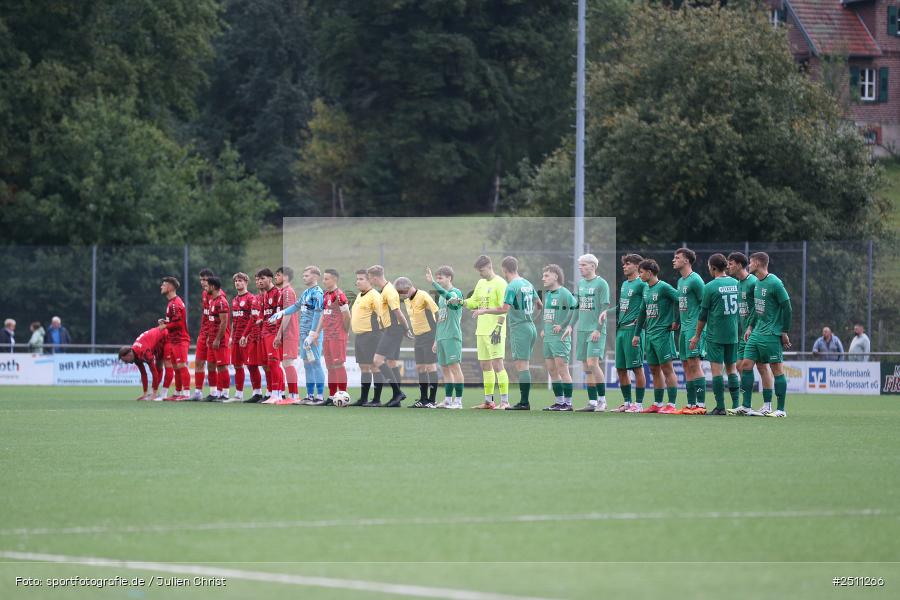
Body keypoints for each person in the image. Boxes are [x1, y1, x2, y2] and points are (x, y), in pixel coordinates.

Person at [474, 256, 541, 410]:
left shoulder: (512, 286)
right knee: (524, 364)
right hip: (530, 327)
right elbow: (539, 305)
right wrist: (531, 319)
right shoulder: (527, 283)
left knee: (522, 365)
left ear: (504, 270)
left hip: (520, 328)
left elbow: (504, 309)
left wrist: (484, 310)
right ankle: (515, 401)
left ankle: (523, 402)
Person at [732, 252, 792, 417]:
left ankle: (780, 409)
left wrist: (784, 331)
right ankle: (746, 406)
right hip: (756, 333)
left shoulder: (775, 283)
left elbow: (787, 307)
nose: (749, 265)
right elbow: (756, 310)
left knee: (776, 369)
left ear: (758, 263)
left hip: (771, 334)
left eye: (750, 262)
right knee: (745, 365)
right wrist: (750, 326)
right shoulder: (757, 283)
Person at [690, 254, 740, 416]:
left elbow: (703, 315)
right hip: (733, 333)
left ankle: (720, 407)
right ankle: (736, 405)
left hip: (716, 334)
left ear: (712, 267)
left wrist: (697, 336)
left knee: (717, 371)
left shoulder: (710, 287)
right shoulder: (736, 283)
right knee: (732, 369)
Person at [633, 259, 680, 414]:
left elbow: (680, 299)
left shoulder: (664, 287)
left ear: (649, 272)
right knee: (654, 369)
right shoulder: (646, 289)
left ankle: (671, 404)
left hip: (663, 335)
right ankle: (657, 403)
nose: (639, 275)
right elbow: (642, 312)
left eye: (641, 272)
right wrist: (637, 334)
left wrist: (676, 319)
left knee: (667, 369)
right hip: (650, 334)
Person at [466, 255, 510, 409]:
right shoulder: (480, 283)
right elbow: (474, 302)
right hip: (482, 331)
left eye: (482, 270)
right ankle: (489, 401)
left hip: (495, 331)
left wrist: (498, 328)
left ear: (489, 266)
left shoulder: (501, 284)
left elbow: (504, 309)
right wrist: (460, 302)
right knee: (485, 366)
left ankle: (505, 401)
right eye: (478, 271)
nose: (480, 273)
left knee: (498, 365)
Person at [367, 265, 412, 407]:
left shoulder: (389, 291)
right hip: (391, 329)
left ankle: (398, 393)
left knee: (377, 360)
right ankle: (396, 399)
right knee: (391, 362)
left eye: (370, 278)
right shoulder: (385, 290)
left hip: (393, 330)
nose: (370, 281)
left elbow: (398, 312)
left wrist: (406, 328)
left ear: (374, 277)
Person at [307, 269, 351, 402]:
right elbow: (323, 314)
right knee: (330, 366)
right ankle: (332, 396)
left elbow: (347, 316)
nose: (324, 281)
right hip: (327, 335)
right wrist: (317, 332)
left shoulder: (340, 295)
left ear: (335, 280)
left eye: (327, 279)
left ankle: (343, 395)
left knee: (338, 364)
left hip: (337, 335)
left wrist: (345, 331)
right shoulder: (325, 295)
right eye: (324, 278)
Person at [574, 254, 610, 412]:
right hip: (581, 330)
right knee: (586, 368)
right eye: (579, 265)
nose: (580, 268)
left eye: (583, 265)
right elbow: (577, 307)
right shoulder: (580, 283)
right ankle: (592, 402)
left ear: (592, 266)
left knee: (593, 364)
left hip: (595, 330)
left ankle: (603, 401)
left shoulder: (601, 284)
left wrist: (598, 329)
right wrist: (570, 326)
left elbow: (604, 309)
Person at [426, 265, 466, 409]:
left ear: (449, 277)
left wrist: (432, 283)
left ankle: (458, 401)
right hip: (442, 337)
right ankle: (448, 400)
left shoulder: (456, 293)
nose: (438, 280)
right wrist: (436, 339)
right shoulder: (441, 299)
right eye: (436, 278)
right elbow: (440, 320)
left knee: (455, 368)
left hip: (452, 336)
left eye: (440, 278)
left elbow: (450, 297)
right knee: (445, 369)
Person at [612, 254, 648, 412]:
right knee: (620, 368)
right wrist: (605, 312)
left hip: (634, 331)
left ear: (637, 266)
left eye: (628, 264)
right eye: (623, 264)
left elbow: (649, 305)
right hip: (621, 330)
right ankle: (627, 403)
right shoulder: (625, 284)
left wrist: (640, 325)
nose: (624, 266)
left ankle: (639, 405)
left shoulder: (642, 284)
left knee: (637, 368)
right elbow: (621, 306)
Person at [396, 276, 439, 407]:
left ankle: (432, 400)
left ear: (407, 288)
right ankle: (423, 399)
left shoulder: (424, 296)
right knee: (420, 367)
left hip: (430, 335)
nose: (400, 296)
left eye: (400, 293)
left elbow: (438, 313)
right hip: (418, 337)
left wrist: (437, 338)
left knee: (431, 366)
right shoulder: (408, 300)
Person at [540, 264, 578, 411]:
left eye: (546, 275)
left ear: (555, 276)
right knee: (551, 370)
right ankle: (559, 402)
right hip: (548, 337)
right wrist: (544, 328)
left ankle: (568, 404)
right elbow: (548, 314)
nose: (543, 278)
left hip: (560, 338)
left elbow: (575, 309)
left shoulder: (565, 293)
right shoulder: (548, 294)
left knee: (563, 369)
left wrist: (564, 326)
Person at [674, 248, 706, 413]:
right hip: (684, 328)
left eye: (677, 257)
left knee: (695, 363)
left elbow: (705, 304)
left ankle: (701, 405)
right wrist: (677, 321)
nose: (674, 260)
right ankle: (691, 404)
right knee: (686, 364)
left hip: (694, 327)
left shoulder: (696, 280)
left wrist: (700, 330)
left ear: (686, 260)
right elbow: (682, 304)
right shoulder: (680, 281)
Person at [727, 252, 758, 411]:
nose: (728, 266)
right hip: (744, 332)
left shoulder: (753, 282)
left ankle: (765, 405)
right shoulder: (738, 283)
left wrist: (752, 327)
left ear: (739, 265)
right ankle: (747, 404)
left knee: (762, 367)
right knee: (739, 366)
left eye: (731, 263)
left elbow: (760, 307)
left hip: (756, 331)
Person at [350, 269, 383, 406]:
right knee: (364, 366)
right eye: (357, 279)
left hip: (372, 335)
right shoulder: (360, 295)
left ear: (370, 280)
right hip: (360, 336)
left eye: (361, 279)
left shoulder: (374, 295)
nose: (358, 281)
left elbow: (382, 316)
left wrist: (382, 336)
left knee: (374, 366)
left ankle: (376, 399)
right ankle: (363, 399)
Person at [159, 276, 190, 401]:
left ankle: (186, 394)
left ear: (171, 287)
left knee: (181, 365)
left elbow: (179, 324)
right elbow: (175, 320)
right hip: (173, 339)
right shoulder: (171, 303)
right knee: (176, 367)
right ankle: (177, 392)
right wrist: (166, 321)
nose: (161, 286)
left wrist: (165, 325)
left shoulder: (175, 304)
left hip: (180, 339)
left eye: (164, 284)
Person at [258, 269, 286, 404]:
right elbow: (264, 314)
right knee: (269, 364)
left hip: (273, 333)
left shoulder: (278, 293)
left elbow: (282, 314)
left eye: (262, 278)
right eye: (258, 279)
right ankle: (274, 393)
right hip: (265, 333)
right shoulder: (264, 295)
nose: (260, 281)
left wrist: (278, 334)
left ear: (269, 279)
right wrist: (260, 320)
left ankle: (278, 394)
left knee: (275, 362)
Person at [230, 272, 259, 403]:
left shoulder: (251, 298)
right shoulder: (234, 300)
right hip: (236, 338)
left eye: (240, 280)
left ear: (246, 282)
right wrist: (231, 337)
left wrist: (246, 335)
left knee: (251, 365)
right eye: (236, 281)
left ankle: (257, 392)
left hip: (247, 338)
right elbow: (234, 320)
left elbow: (253, 319)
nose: (237, 283)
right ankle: (238, 394)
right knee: (237, 366)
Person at [119, 326, 168, 401]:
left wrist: (153, 394)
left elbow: (154, 373)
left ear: (129, 355)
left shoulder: (144, 353)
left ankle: (157, 393)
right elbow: (143, 373)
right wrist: (145, 393)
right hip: (154, 338)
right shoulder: (134, 354)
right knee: (156, 369)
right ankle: (149, 393)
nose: (126, 363)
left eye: (126, 361)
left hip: (163, 335)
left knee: (158, 368)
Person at [204, 276, 233, 402]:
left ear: (213, 287)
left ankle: (225, 394)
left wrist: (217, 339)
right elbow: (211, 322)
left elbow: (224, 323)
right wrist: (209, 338)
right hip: (211, 339)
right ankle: (213, 393)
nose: (206, 287)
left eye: (208, 285)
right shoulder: (212, 301)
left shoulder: (222, 302)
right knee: (210, 365)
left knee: (222, 367)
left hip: (219, 340)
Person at [274, 266, 301, 402]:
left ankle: (294, 395)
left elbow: (288, 314)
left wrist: (279, 334)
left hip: (289, 333)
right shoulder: (282, 292)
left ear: (285, 277)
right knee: (284, 364)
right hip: (285, 333)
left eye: (278, 275)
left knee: (288, 363)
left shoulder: (288, 292)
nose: (275, 277)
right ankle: (288, 394)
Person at [190, 269, 215, 400]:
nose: (203, 282)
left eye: (205, 279)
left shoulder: (217, 294)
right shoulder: (204, 293)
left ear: (211, 280)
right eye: (201, 280)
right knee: (199, 362)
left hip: (213, 334)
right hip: (204, 332)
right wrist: (202, 333)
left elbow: (221, 318)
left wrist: (212, 335)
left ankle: (216, 392)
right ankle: (198, 392)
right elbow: (205, 316)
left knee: (212, 364)